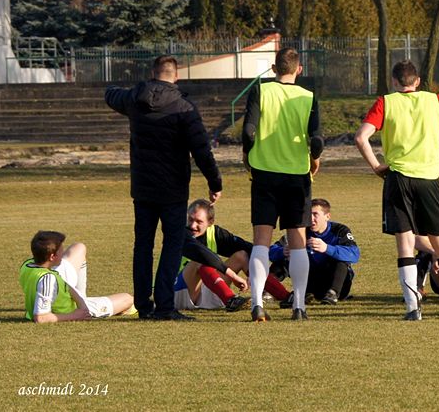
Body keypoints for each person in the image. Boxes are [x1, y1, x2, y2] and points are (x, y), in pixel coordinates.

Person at [106, 55, 223, 321]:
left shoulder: (134, 98)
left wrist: (123, 90)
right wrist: (214, 182)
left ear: (152, 73)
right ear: (176, 76)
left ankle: (143, 305)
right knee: (172, 245)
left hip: (143, 187)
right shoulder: (184, 107)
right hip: (173, 189)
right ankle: (165, 306)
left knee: (143, 245)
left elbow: (110, 94)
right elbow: (202, 150)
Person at [355, 60, 439, 320]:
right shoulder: (435, 100)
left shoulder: (386, 102)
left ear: (394, 82)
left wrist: (376, 166)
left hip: (399, 178)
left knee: (405, 244)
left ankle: (412, 308)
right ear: (417, 81)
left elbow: (361, 137)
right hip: (428, 178)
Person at [242, 47, 324, 322]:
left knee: (261, 242)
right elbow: (316, 138)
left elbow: (249, 131)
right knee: (298, 242)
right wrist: (314, 158)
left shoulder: (261, 90)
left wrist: (246, 155)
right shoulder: (308, 96)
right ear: (299, 69)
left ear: (274, 68)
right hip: (296, 175)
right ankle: (299, 306)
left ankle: (257, 303)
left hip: (264, 173)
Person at [19, 230, 134, 323]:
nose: (63, 252)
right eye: (61, 251)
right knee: (128, 299)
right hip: (70, 311)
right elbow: (41, 318)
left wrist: (81, 302)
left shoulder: (27, 264)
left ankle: (83, 299)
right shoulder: (47, 279)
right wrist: (77, 315)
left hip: (71, 298)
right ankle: (88, 306)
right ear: (52, 257)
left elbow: (64, 284)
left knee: (79, 247)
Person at [269, 198, 360, 306]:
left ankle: (332, 294)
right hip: (310, 281)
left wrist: (327, 248)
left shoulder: (339, 230)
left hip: (336, 283)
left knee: (340, 260)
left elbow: (354, 254)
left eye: (315, 214)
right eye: (308, 215)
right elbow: (270, 251)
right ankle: (268, 290)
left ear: (327, 216)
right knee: (285, 257)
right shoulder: (301, 231)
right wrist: (282, 251)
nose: (311, 218)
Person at [174, 199, 257, 312]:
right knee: (200, 260)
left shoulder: (215, 233)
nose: (193, 225)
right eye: (190, 219)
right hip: (178, 292)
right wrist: (234, 276)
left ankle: (281, 296)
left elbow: (251, 248)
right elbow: (204, 256)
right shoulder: (179, 233)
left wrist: (255, 274)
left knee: (242, 256)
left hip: (205, 292)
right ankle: (230, 300)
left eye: (199, 221)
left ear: (210, 222)